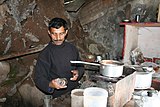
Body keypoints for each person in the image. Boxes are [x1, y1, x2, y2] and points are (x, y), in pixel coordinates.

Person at [34, 17, 84, 98]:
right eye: (54, 34)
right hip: (58, 95)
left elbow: (80, 65)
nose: (58, 38)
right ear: (49, 33)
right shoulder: (45, 54)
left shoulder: (72, 48)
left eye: (61, 33)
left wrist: (78, 72)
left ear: (66, 32)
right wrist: (51, 84)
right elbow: (39, 79)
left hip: (75, 90)